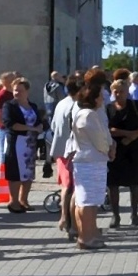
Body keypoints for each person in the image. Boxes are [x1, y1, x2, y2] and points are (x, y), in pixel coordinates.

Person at [68, 79, 114, 248]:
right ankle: (85, 237)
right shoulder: (87, 115)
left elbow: (104, 134)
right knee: (86, 201)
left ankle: (90, 233)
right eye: (100, 96)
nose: (103, 99)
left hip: (92, 161)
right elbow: (99, 140)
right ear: (94, 99)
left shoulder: (89, 114)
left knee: (91, 200)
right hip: (90, 161)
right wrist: (108, 148)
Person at [106, 79, 138, 226]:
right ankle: (115, 215)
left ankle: (134, 214)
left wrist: (132, 137)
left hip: (134, 149)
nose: (118, 94)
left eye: (121, 91)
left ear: (127, 92)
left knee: (134, 183)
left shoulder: (135, 106)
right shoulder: (109, 108)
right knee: (113, 184)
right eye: (115, 91)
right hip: (114, 150)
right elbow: (107, 129)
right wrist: (127, 134)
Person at [1, 78, 45, 213]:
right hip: (16, 143)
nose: (17, 93)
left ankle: (24, 200)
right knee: (15, 172)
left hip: (30, 144)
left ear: (27, 91)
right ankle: (13, 202)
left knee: (28, 173)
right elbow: (10, 124)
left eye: (20, 90)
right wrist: (31, 128)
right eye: (15, 90)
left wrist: (41, 126)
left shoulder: (33, 106)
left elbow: (38, 121)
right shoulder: (9, 106)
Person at [48, 72, 82, 239]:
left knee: (66, 186)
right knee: (71, 188)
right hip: (72, 151)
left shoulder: (61, 103)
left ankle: (67, 220)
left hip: (60, 150)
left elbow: (53, 126)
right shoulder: (76, 106)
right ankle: (70, 223)